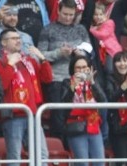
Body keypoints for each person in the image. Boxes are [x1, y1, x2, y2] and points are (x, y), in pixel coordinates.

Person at [0, 27, 52, 166]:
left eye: (19, 38)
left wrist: (43, 58)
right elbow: (0, 85)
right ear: (3, 42)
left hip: (33, 113)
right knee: (15, 156)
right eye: (13, 38)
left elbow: (47, 79)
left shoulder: (29, 60)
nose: (18, 41)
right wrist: (9, 65)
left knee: (42, 154)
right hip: (14, 116)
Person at [37, 0, 90, 139]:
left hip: (79, 77)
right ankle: (59, 150)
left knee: (78, 114)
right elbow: (40, 55)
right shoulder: (47, 29)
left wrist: (81, 54)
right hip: (57, 79)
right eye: (65, 14)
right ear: (58, 11)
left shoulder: (81, 29)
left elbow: (90, 52)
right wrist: (59, 53)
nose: (67, 17)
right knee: (58, 117)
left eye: (71, 15)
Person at [61, 55, 106, 166]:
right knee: (83, 165)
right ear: (72, 70)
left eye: (84, 68)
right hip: (76, 127)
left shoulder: (94, 81)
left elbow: (104, 101)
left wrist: (92, 83)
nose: (81, 71)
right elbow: (61, 105)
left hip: (94, 126)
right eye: (78, 68)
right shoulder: (67, 82)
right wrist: (72, 88)